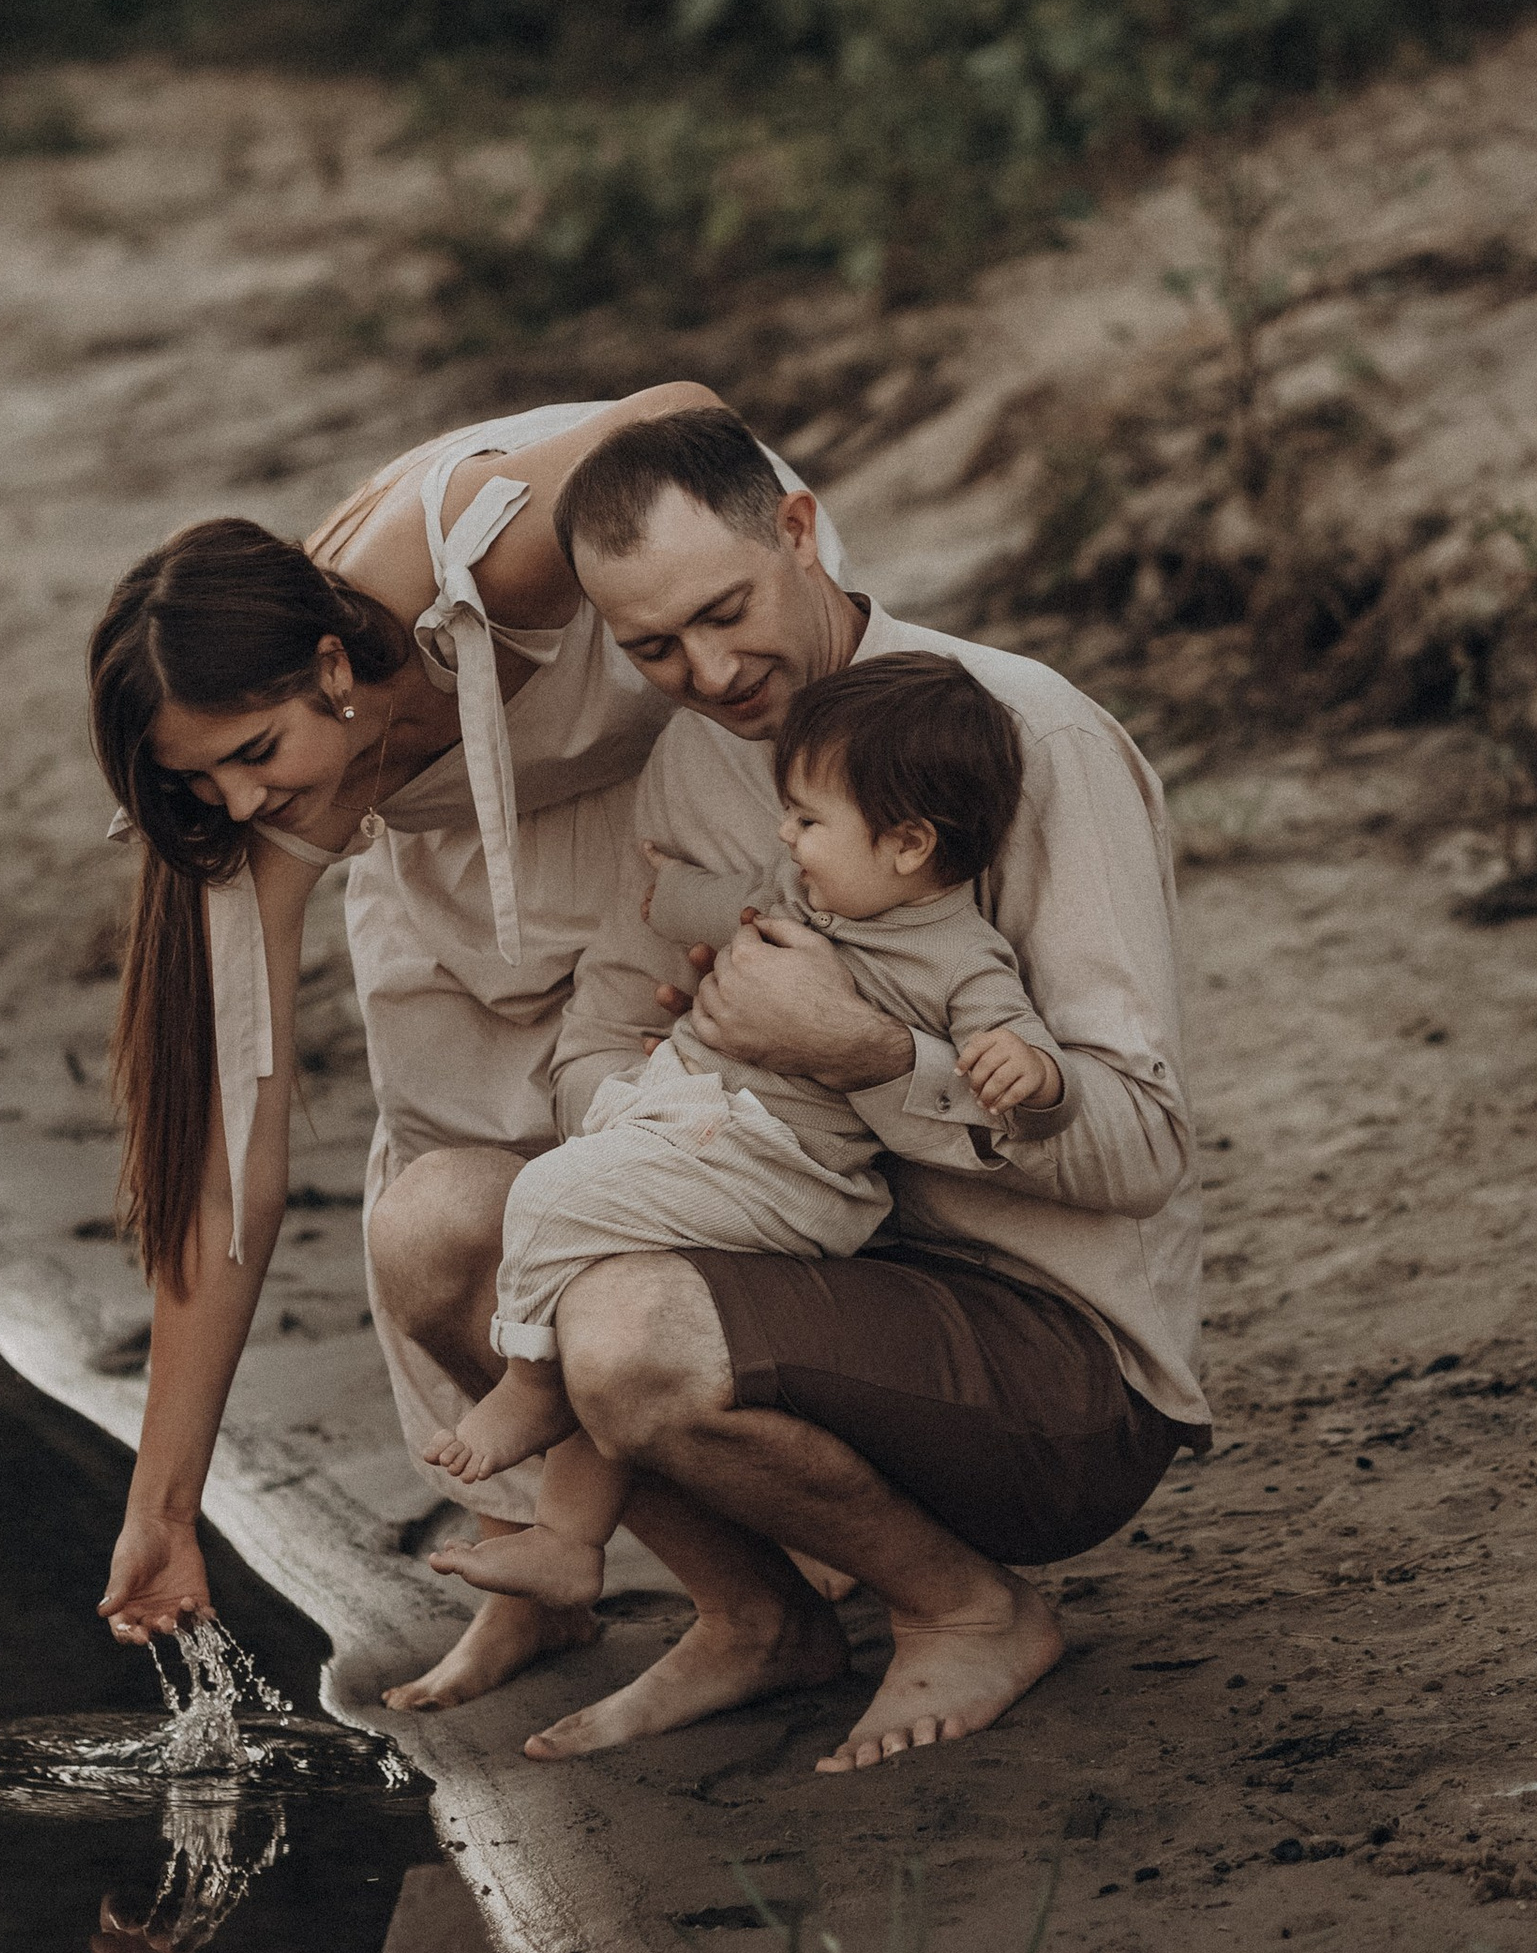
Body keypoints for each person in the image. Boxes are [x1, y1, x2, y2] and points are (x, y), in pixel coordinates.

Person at [365, 404, 1206, 1774]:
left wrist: (868, 1058)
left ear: (801, 531)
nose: (706, 669)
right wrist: (683, 1118)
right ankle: (757, 1616)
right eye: (650, 647)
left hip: (1056, 1365)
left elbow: (1144, 1149)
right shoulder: (699, 756)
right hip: (804, 1252)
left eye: (726, 610)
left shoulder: (1019, 738)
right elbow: (593, 1042)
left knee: (631, 1330)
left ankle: (968, 1606)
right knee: (437, 1222)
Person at [83, 386, 836, 1714]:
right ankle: (541, 1573)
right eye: (204, 784)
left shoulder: (482, 557)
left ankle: (813, 1521)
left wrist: (713, 624)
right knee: (438, 1210)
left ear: (330, 664)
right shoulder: (265, 800)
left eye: (253, 754)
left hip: (675, 781)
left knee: (688, 1170)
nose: (241, 803)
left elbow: (682, 414)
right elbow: (231, 1176)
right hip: (450, 859)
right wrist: (164, 1503)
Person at [420, 652, 1063, 1610]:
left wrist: (1030, 1072)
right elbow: (730, 901)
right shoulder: (812, 892)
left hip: (786, 1169)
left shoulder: (956, 955)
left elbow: (1017, 1048)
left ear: (909, 844)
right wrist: (665, 898)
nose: (786, 836)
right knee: (593, 1265)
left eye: (808, 821)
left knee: (552, 1192)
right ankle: (566, 1538)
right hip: (711, 1130)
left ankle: (528, 1379)